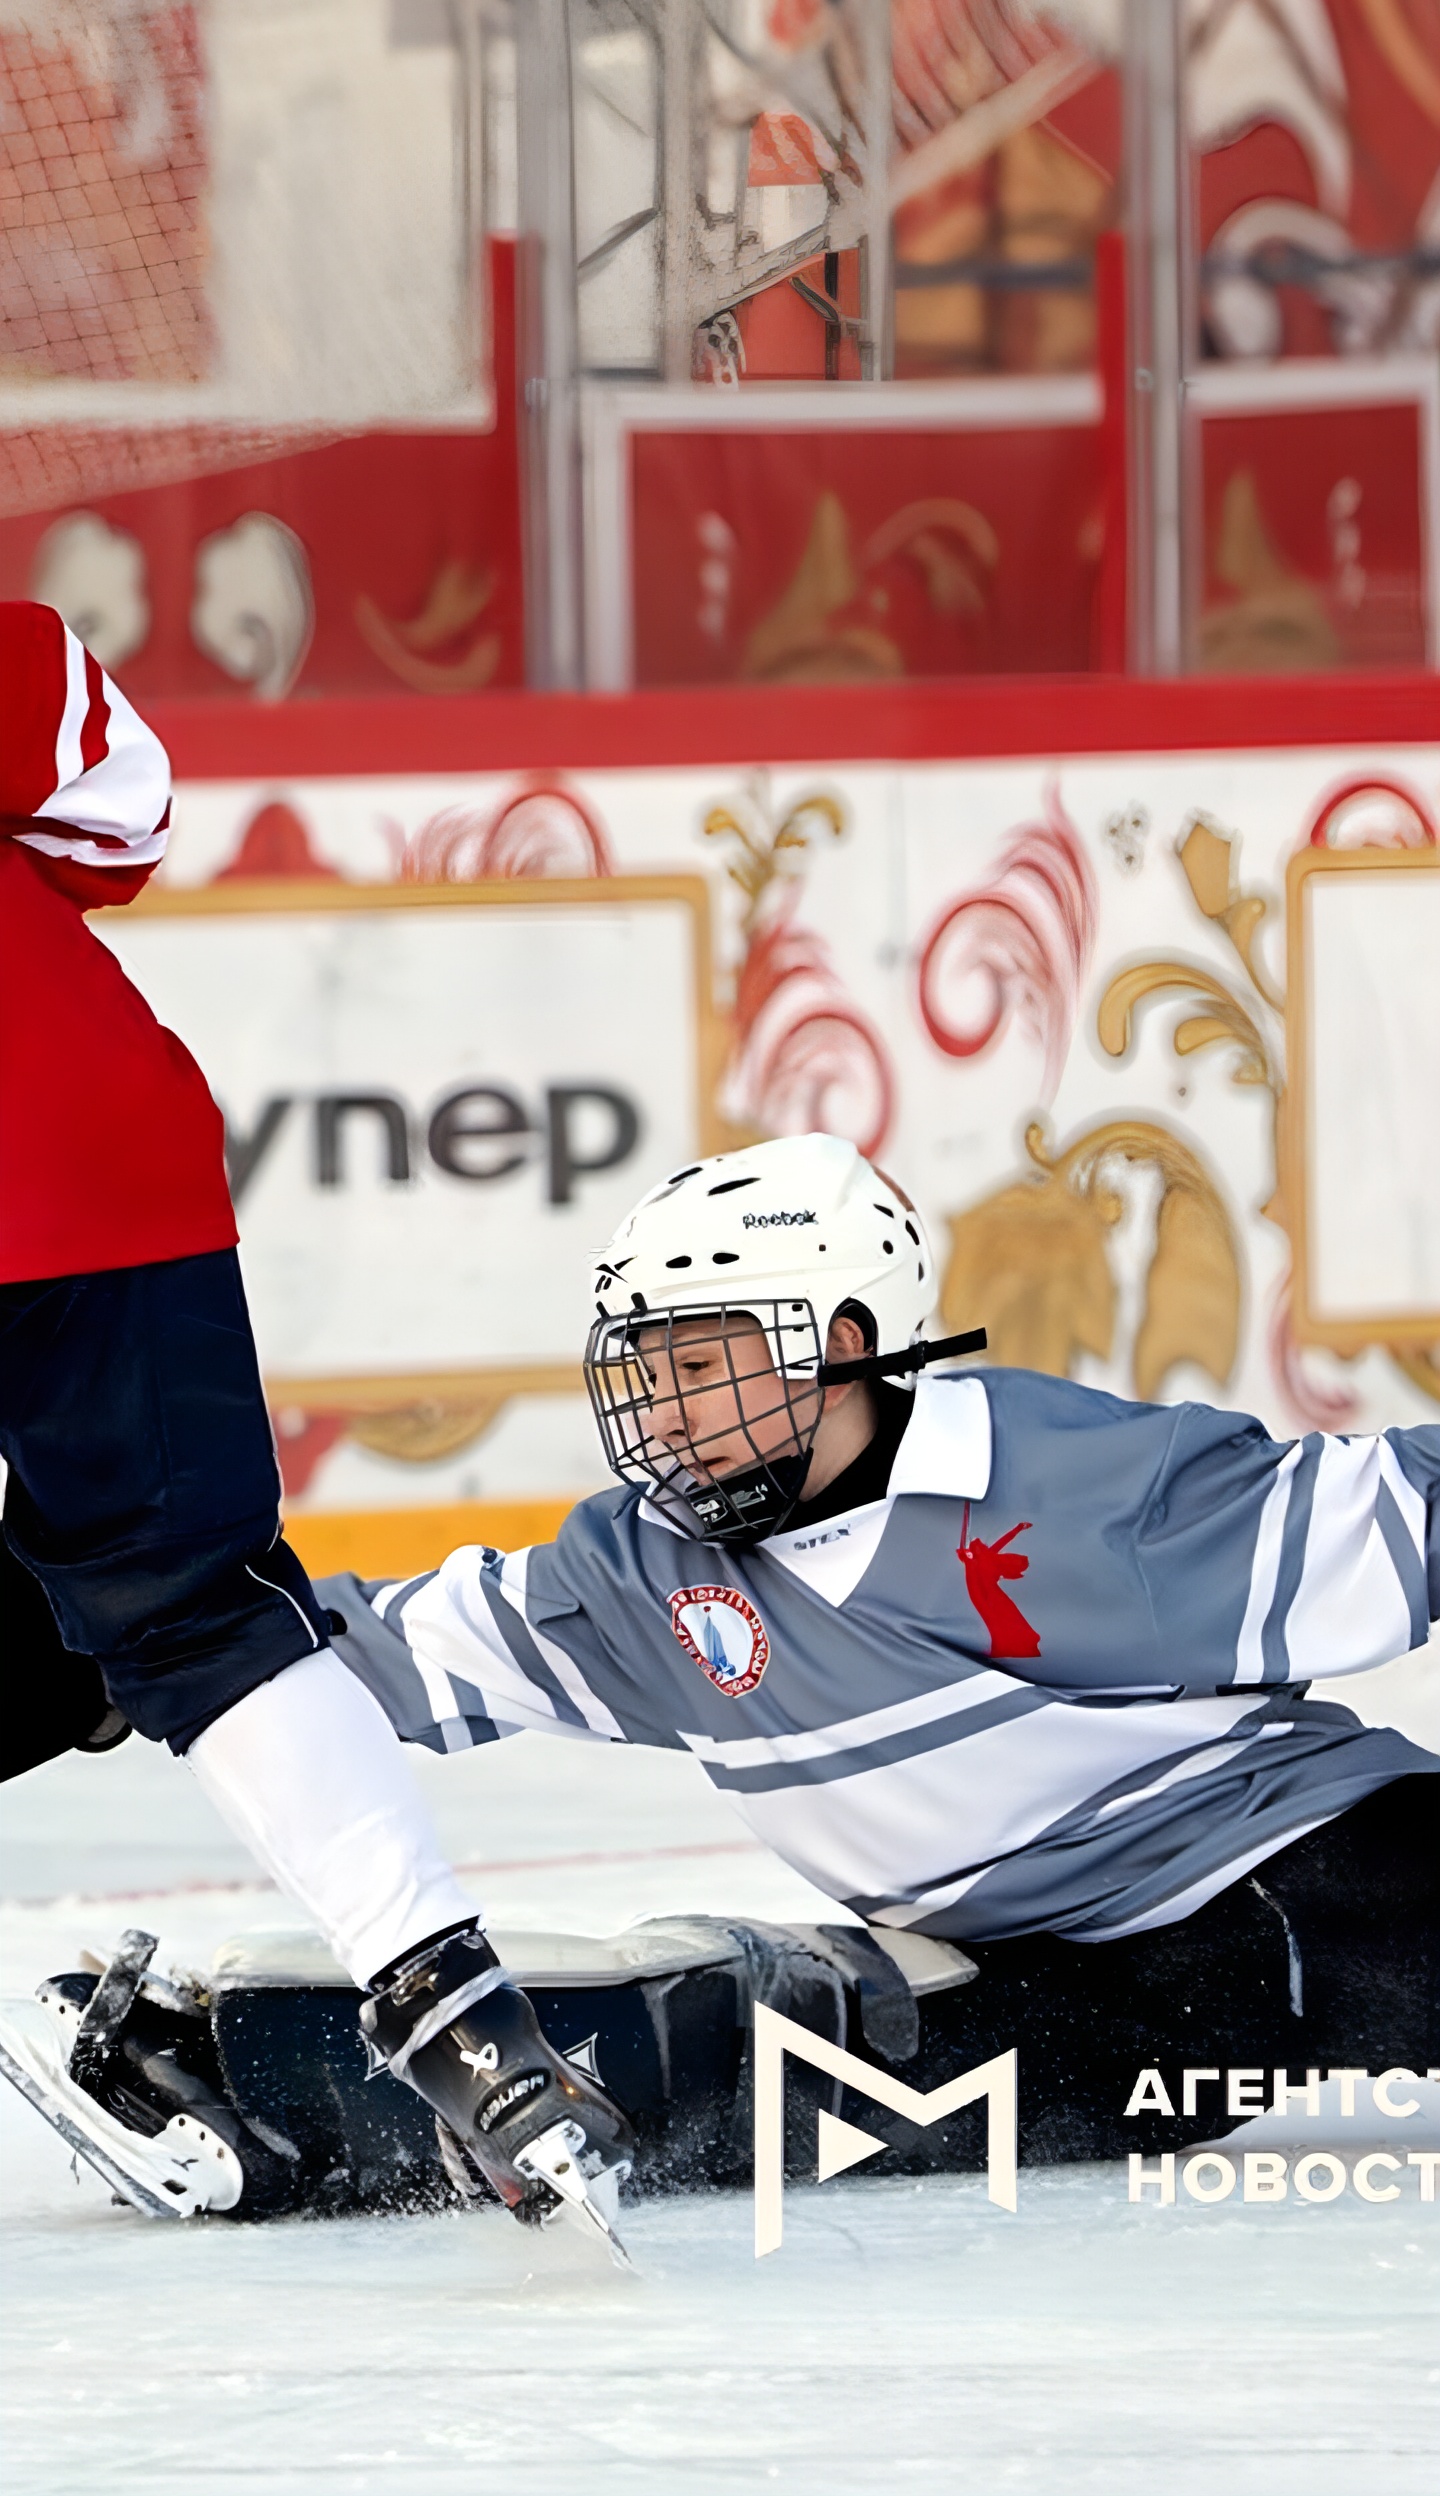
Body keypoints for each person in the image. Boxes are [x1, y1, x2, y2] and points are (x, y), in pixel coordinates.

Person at [317, 1130, 1440, 2156]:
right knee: (742, 2078)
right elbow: (364, 1652)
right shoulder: (636, 1574)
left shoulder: (1069, 1483)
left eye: (700, 1370)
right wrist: (157, 1652)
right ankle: (272, 2096)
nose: (662, 1415)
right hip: (1067, 1981)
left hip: (1305, 1871)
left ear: (840, 1344)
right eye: (647, 1374)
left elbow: (1406, 1515)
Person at [0, 602, 632, 2235]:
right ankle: (475, 2035)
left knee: (150, 1605)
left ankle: (67, 1659)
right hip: (74, 1132)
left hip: (74, 1147)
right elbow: (120, 821)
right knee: (197, 1606)